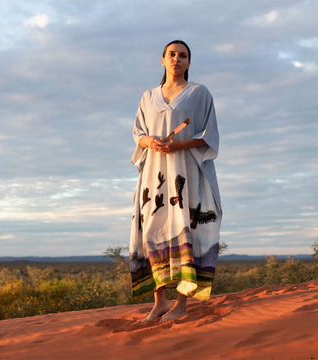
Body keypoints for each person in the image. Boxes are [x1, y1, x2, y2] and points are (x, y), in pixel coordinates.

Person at [129, 40, 222, 322]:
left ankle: (181, 305)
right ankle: (159, 303)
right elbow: (138, 133)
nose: (177, 59)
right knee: (150, 233)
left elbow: (210, 135)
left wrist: (179, 145)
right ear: (162, 60)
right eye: (172, 54)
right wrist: (150, 141)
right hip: (154, 176)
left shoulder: (199, 93)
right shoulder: (148, 96)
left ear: (189, 63)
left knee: (185, 230)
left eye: (183, 56)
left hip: (187, 174)